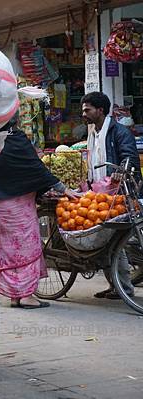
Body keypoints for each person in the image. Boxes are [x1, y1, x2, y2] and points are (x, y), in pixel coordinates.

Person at [0, 124, 78, 309]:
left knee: (8, 252)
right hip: (17, 206)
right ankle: (27, 296)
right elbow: (34, 167)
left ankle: (15, 295)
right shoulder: (15, 139)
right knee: (26, 248)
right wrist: (62, 188)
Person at [81, 91, 140, 299]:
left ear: (100, 110)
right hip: (101, 195)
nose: (84, 114)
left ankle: (124, 287)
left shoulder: (119, 132)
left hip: (119, 194)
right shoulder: (92, 133)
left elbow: (129, 157)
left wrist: (121, 170)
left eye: (87, 110)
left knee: (114, 242)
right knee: (106, 242)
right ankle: (117, 286)